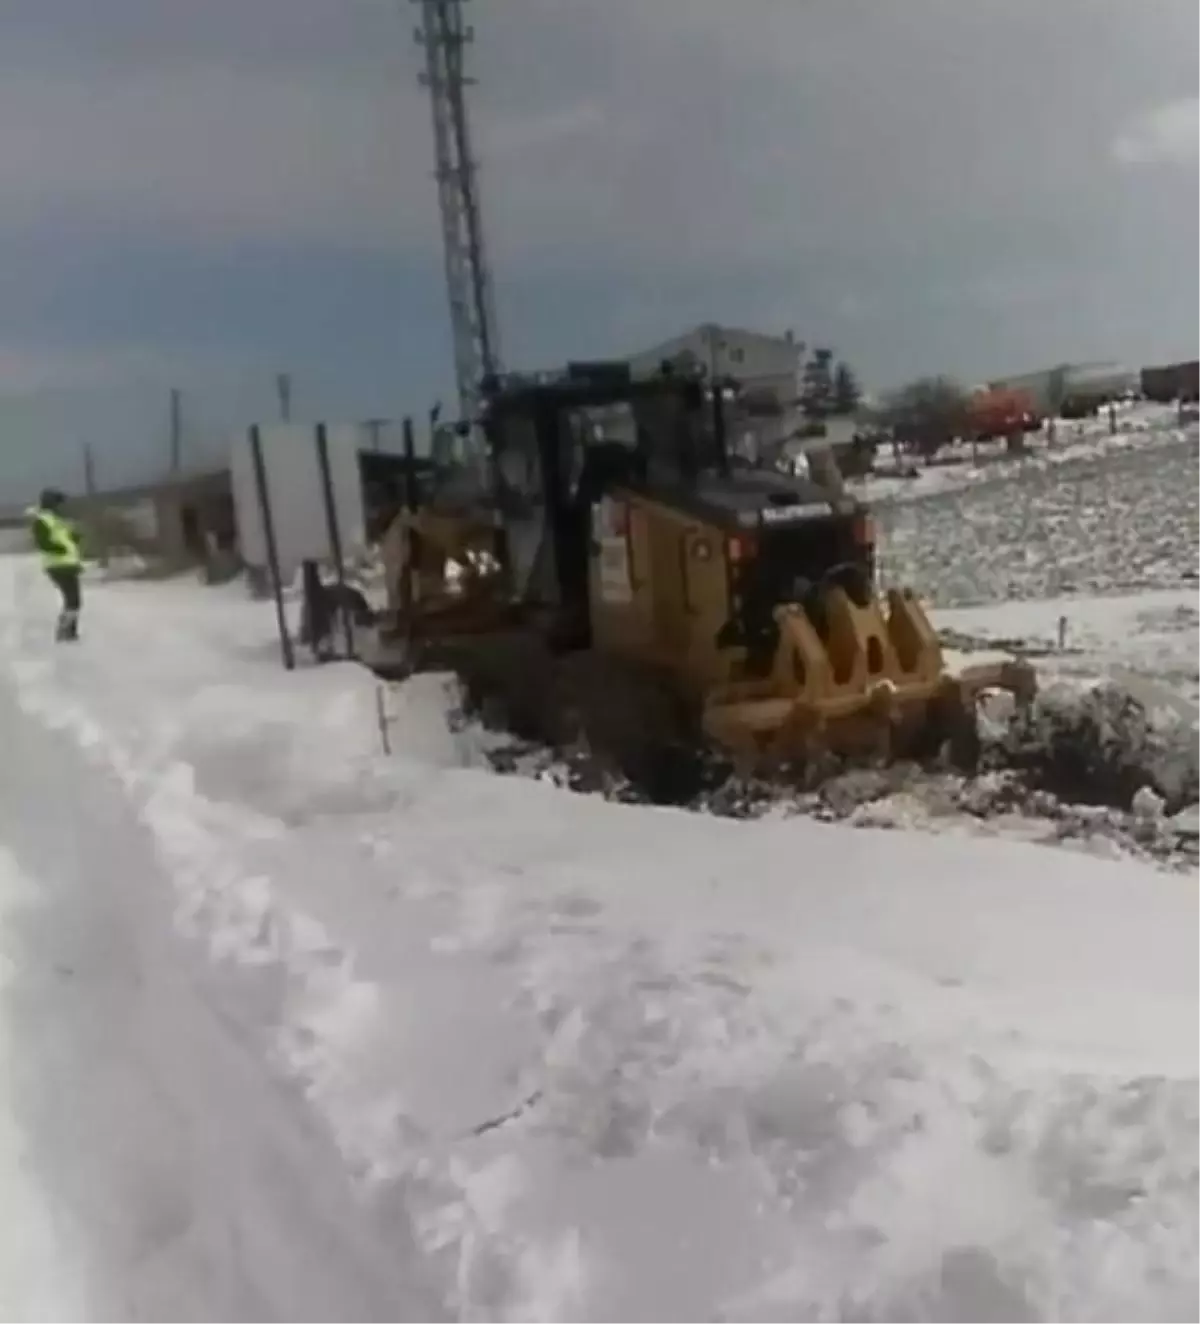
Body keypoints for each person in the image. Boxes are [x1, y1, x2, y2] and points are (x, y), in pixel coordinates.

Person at [26, 489, 83, 641]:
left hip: (68, 563)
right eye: (59, 502)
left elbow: (67, 537)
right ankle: (65, 632)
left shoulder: (57, 519)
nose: (62, 506)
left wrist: (75, 538)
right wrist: (61, 549)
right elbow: (43, 543)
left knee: (74, 601)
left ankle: (69, 631)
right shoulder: (42, 520)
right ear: (51, 503)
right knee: (72, 600)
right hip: (57, 565)